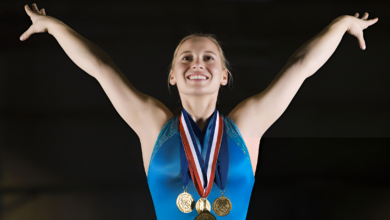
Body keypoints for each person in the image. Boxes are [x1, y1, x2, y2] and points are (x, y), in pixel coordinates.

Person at [20, 3, 379, 219]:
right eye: (186, 58)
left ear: (224, 76)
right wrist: (54, 27)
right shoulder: (153, 123)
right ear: (172, 77)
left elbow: (299, 66)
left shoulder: (247, 124)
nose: (197, 63)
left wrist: (341, 25)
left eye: (209, 57)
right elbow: (102, 68)